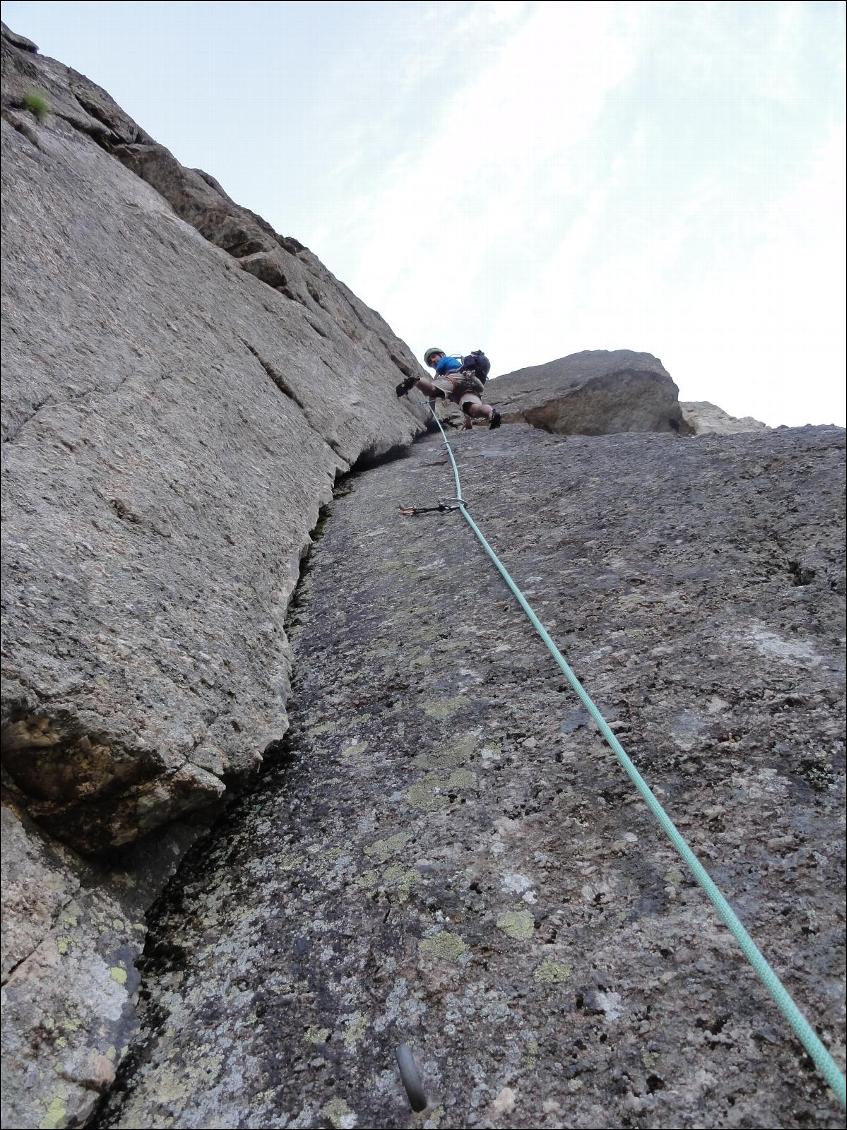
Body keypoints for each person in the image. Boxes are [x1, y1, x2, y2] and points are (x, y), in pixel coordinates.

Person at [396, 348, 501, 429]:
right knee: (474, 409)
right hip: (469, 385)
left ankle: (415, 381)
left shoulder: (445, 360)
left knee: (432, 389)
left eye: (433, 357)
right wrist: (468, 422)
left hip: (454, 378)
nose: (433, 362)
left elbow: (434, 386)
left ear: (442, 355)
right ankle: (491, 413)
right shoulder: (460, 364)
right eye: (430, 362)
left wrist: (433, 384)